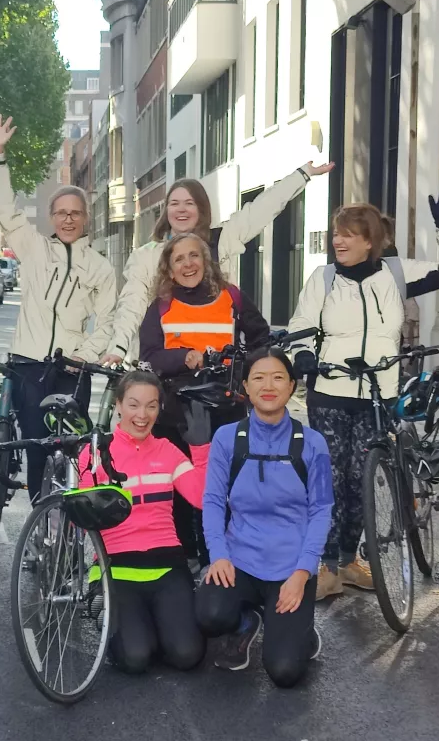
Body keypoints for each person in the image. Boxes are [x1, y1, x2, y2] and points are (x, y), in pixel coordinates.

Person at [287, 190, 439, 599]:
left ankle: (349, 561)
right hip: (330, 392)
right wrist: (302, 358)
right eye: (336, 234)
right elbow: (299, 326)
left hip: (378, 394)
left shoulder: (397, 273)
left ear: (370, 241)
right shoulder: (323, 279)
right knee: (330, 480)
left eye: (348, 235)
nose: (338, 241)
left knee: (359, 479)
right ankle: (328, 567)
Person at [0, 114, 118, 502]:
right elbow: (5, 209)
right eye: (61, 213)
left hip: (72, 370)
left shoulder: (100, 266)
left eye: (76, 213)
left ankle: (70, 532)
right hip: (29, 365)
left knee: (76, 452)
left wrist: (85, 355)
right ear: (51, 218)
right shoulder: (34, 248)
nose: (68, 219)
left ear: (86, 217)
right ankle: (41, 533)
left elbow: (106, 321)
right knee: (38, 449)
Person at [100, 160, 333, 365]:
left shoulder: (221, 241)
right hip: (166, 361)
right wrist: (118, 348)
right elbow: (131, 305)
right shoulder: (146, 256)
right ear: (166, 210)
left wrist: (302, 175)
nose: (181, 209)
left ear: (202, 209)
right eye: (174, 203)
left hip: (217, 365)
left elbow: (260, 210)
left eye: (189, 203)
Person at [196, 348, 333, 688]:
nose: (267, 385)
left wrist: (303, 572)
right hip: (239, 559)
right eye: (258, 377)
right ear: (245, 386)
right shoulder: (228, 438)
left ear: (291, 386)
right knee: (208, 615)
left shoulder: (312, 443)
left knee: (285, 672)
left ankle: (299, 631)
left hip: (290, 568)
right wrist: (219, 555)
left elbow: (321, 511)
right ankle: (245, 622)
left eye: (277, 378)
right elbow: (213, 501)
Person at [138, 232, 269, 568]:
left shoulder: (232, 297)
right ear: (168, 268)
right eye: (179, 259)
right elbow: (149, 356)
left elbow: (260, 339)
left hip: (225, 408)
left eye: (194, 256)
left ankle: (221, 559)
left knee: (224, 488)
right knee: (181, 489)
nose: (188, 264)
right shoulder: (161, 307)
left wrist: (245, 369)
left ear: (206, 260)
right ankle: (188, 558)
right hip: (178, 412)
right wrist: (185, 357)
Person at [75, 370, 205, 674]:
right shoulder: (96, 452)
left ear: (160, 409)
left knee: (187, 655)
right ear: (118, 405)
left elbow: (200, 497)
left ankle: (151, 622)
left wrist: (201, 449)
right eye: (133, 405)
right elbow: (83, 522)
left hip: (167, 566)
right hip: (117, 568)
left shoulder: (167, 450)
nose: (142, 415)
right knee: (136, 658)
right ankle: (115, 616)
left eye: (151, 406)